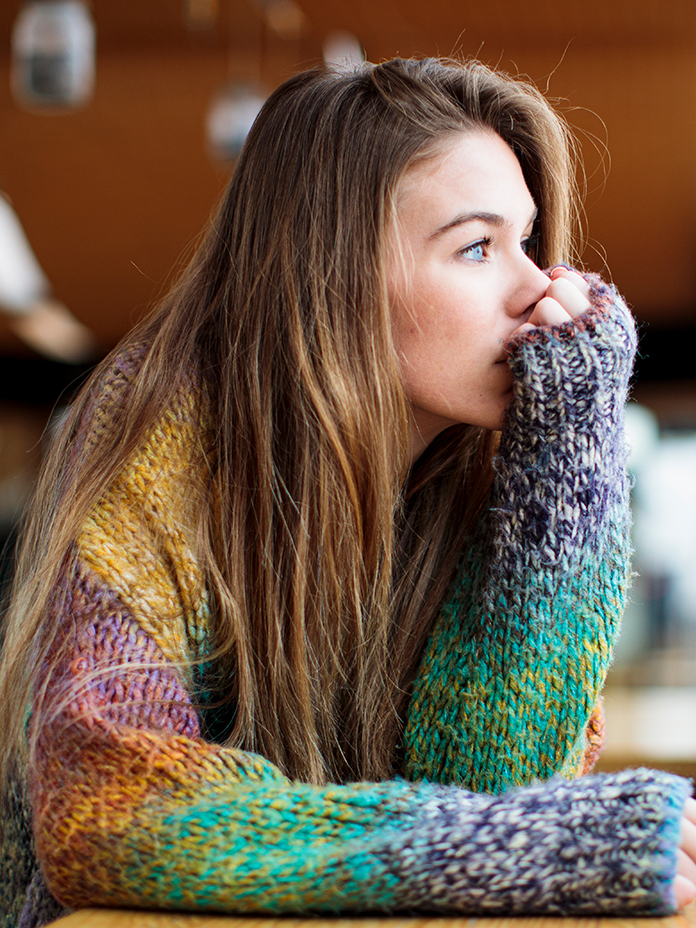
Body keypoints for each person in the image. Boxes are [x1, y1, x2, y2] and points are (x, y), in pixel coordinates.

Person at [2, 56, 696, 927]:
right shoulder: (165, 434)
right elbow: (111, 811)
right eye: (477, 248)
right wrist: (536, 843)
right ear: (333, 275)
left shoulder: (483, 472)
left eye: (527, 242)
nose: (539, 290)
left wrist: (570, 442)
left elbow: (491, 789)